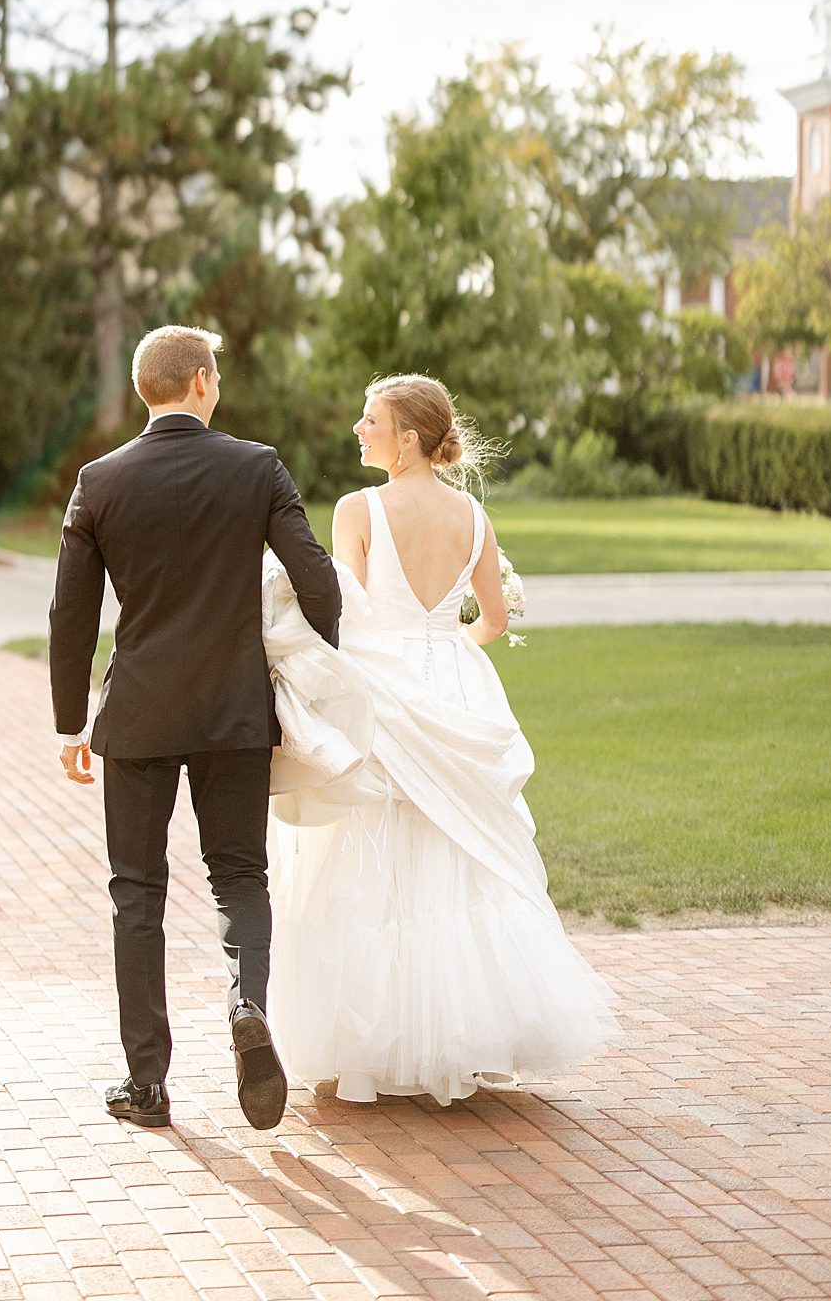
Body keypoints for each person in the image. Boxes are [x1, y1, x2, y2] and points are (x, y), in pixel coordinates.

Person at [268, 373, 621, 1106]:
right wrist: (446, 641)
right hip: (455, 689)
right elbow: (492, 621)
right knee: (460, 852)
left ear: (407, 438)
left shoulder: (358, 510)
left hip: (383, 688)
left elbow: (347, 619)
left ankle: (372, 1050)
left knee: (373, 848)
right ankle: (463, 1038)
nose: (358, 429)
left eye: (371, 420)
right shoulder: (474, 517)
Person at [48, 324, 341, 1132]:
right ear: (203, 382)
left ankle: (146, 1083)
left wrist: (70, 723)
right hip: (234, 710)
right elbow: (315, 579)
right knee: (239, 876)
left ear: (150, 390)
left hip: (138, 714)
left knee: (135, 893)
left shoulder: (99, 480)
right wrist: (330, 672)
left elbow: (70, 615)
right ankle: (247, 1005)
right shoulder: (257, 467)